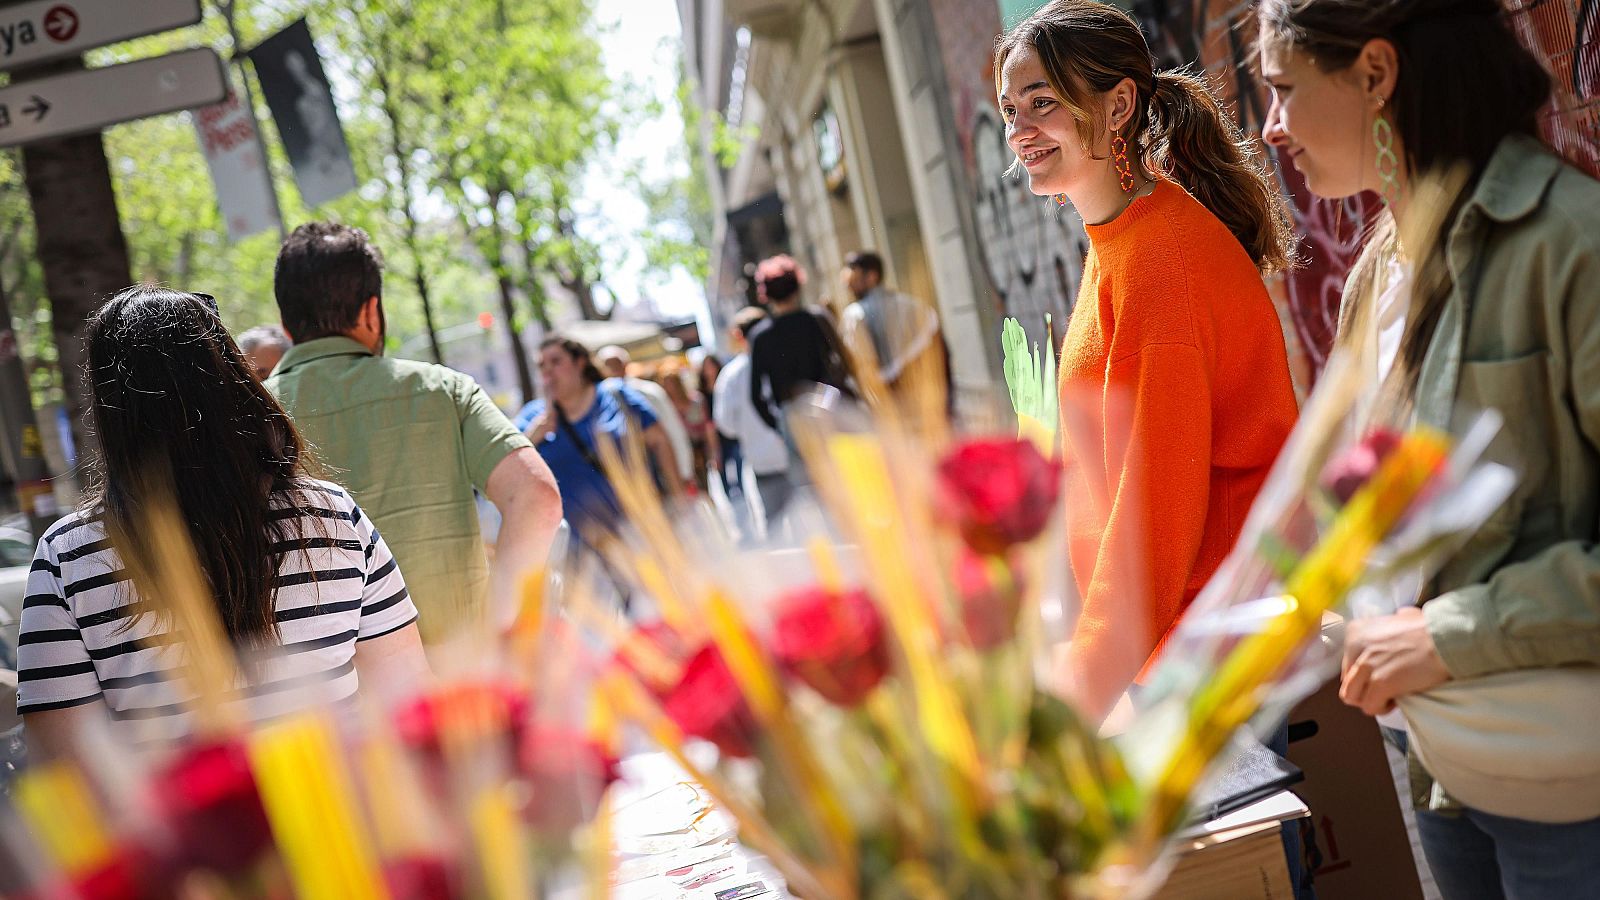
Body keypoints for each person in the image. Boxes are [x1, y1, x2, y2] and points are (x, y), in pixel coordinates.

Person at [1258, 0, 1600, 894]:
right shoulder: (1380, 266)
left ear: (1376, 73)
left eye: (1285, 89)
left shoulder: (1570, 243)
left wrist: (1450, 634)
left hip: (1573, 796)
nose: (1270, 127)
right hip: (1439, 766)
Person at [996, 0, 1300, 721]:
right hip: (1171, 656)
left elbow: (1153, 517)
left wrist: (1074, 705)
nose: (1019, 131)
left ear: (1118, 104)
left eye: (1042, 103)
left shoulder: (1162, 260)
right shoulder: (1121, 241)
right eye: (1010, 110)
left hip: (1208, 668)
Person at [17, 286, 431, 755]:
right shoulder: (334, 518)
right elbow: (409, 706)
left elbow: (67, 769)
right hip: (345, 821)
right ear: (232, 379)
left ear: (111, 411)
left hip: (187, 827)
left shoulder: (69, 557)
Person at [265, 223, 561, 642]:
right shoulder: (445, 391)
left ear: (286, 325)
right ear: (371, 311)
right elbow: (538, 497)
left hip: (331, 695)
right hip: (460, 685)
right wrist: (496, 627)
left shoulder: (253, 417)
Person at [515, 337, 682, 546]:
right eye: (541, 366)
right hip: (585, 549)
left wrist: (679, 500)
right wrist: (536, 433)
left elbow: (660, 441)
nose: (548, 371)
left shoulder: (615, 395)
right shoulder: (532, 417)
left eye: (556, 361)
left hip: (642, 531)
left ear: (580, 362)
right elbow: (511, 466)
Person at [746, 255, 856, 438]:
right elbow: (847, 361)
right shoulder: (817, 318)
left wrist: (778, 426)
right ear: (797, 286)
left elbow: (755, 394)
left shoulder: (760, 336)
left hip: (793, 420)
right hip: (830, 407)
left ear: (766, 294)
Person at [714, 307, 793, 532]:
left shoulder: (731, 375)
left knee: (776, 527)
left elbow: (726, 424)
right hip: (794, 454)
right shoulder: (784, 360)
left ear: (739, 336)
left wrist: (749, 431)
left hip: (762, 460)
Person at [838, 251, 941, 391]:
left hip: (886, 397)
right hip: (923, 392)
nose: (849, 285)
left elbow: (860, 364)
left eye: (854, 277)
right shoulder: (914, 305)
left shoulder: (854, 314)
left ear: (872, 276)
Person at [596, 345, 694, 487]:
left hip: (661, 474)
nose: (612, 368)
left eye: (616, 363)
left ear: (625, 364)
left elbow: (672, 430)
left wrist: (684, 471)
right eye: (608, 365)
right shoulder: (598, 402)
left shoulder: (649, 392)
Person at [656, 359, 718, 491]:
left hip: (698, 452)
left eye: (672, 383)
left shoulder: (696, 400)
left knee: (703, 487)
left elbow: (707, 426)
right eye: (666, 383)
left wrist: (713, 451)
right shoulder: (664, 407)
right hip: (678, 452)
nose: (670, 387)